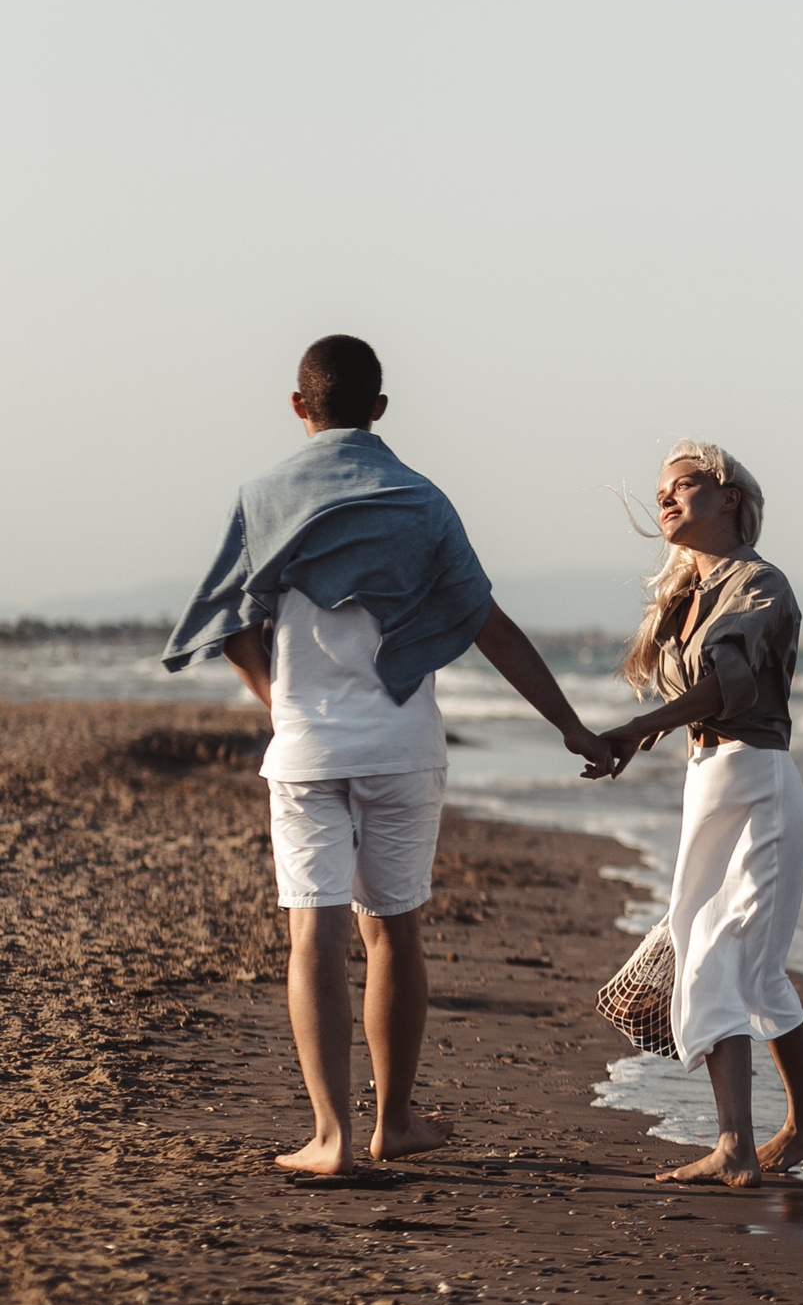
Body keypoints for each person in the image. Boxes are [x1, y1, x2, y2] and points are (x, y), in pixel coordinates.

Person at [163, 335, 614, 1174]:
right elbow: (491, 626)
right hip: (403, 746)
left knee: (313, 933)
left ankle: (330, 1136)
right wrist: (571, 725)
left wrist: (280, 702)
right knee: (393, 932)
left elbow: (229, 627)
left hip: (305, 750)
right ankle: (394, 1120)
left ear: (299, 405)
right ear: (379, 409)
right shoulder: (423, 501)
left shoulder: (262, 499)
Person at [594, 440, 803, 1188]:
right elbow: (693, 698)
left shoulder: (758, 583)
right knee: (719, 961)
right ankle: (788, 1130)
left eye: (684, 485)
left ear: (728, 497)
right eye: (660, 490)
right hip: (711, 781)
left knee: (727, 960)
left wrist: (638, 726)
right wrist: (651, 729)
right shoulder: (681, 594)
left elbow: (728, 687)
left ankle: (744, 1143)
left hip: (756, 779)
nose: (665, 499)